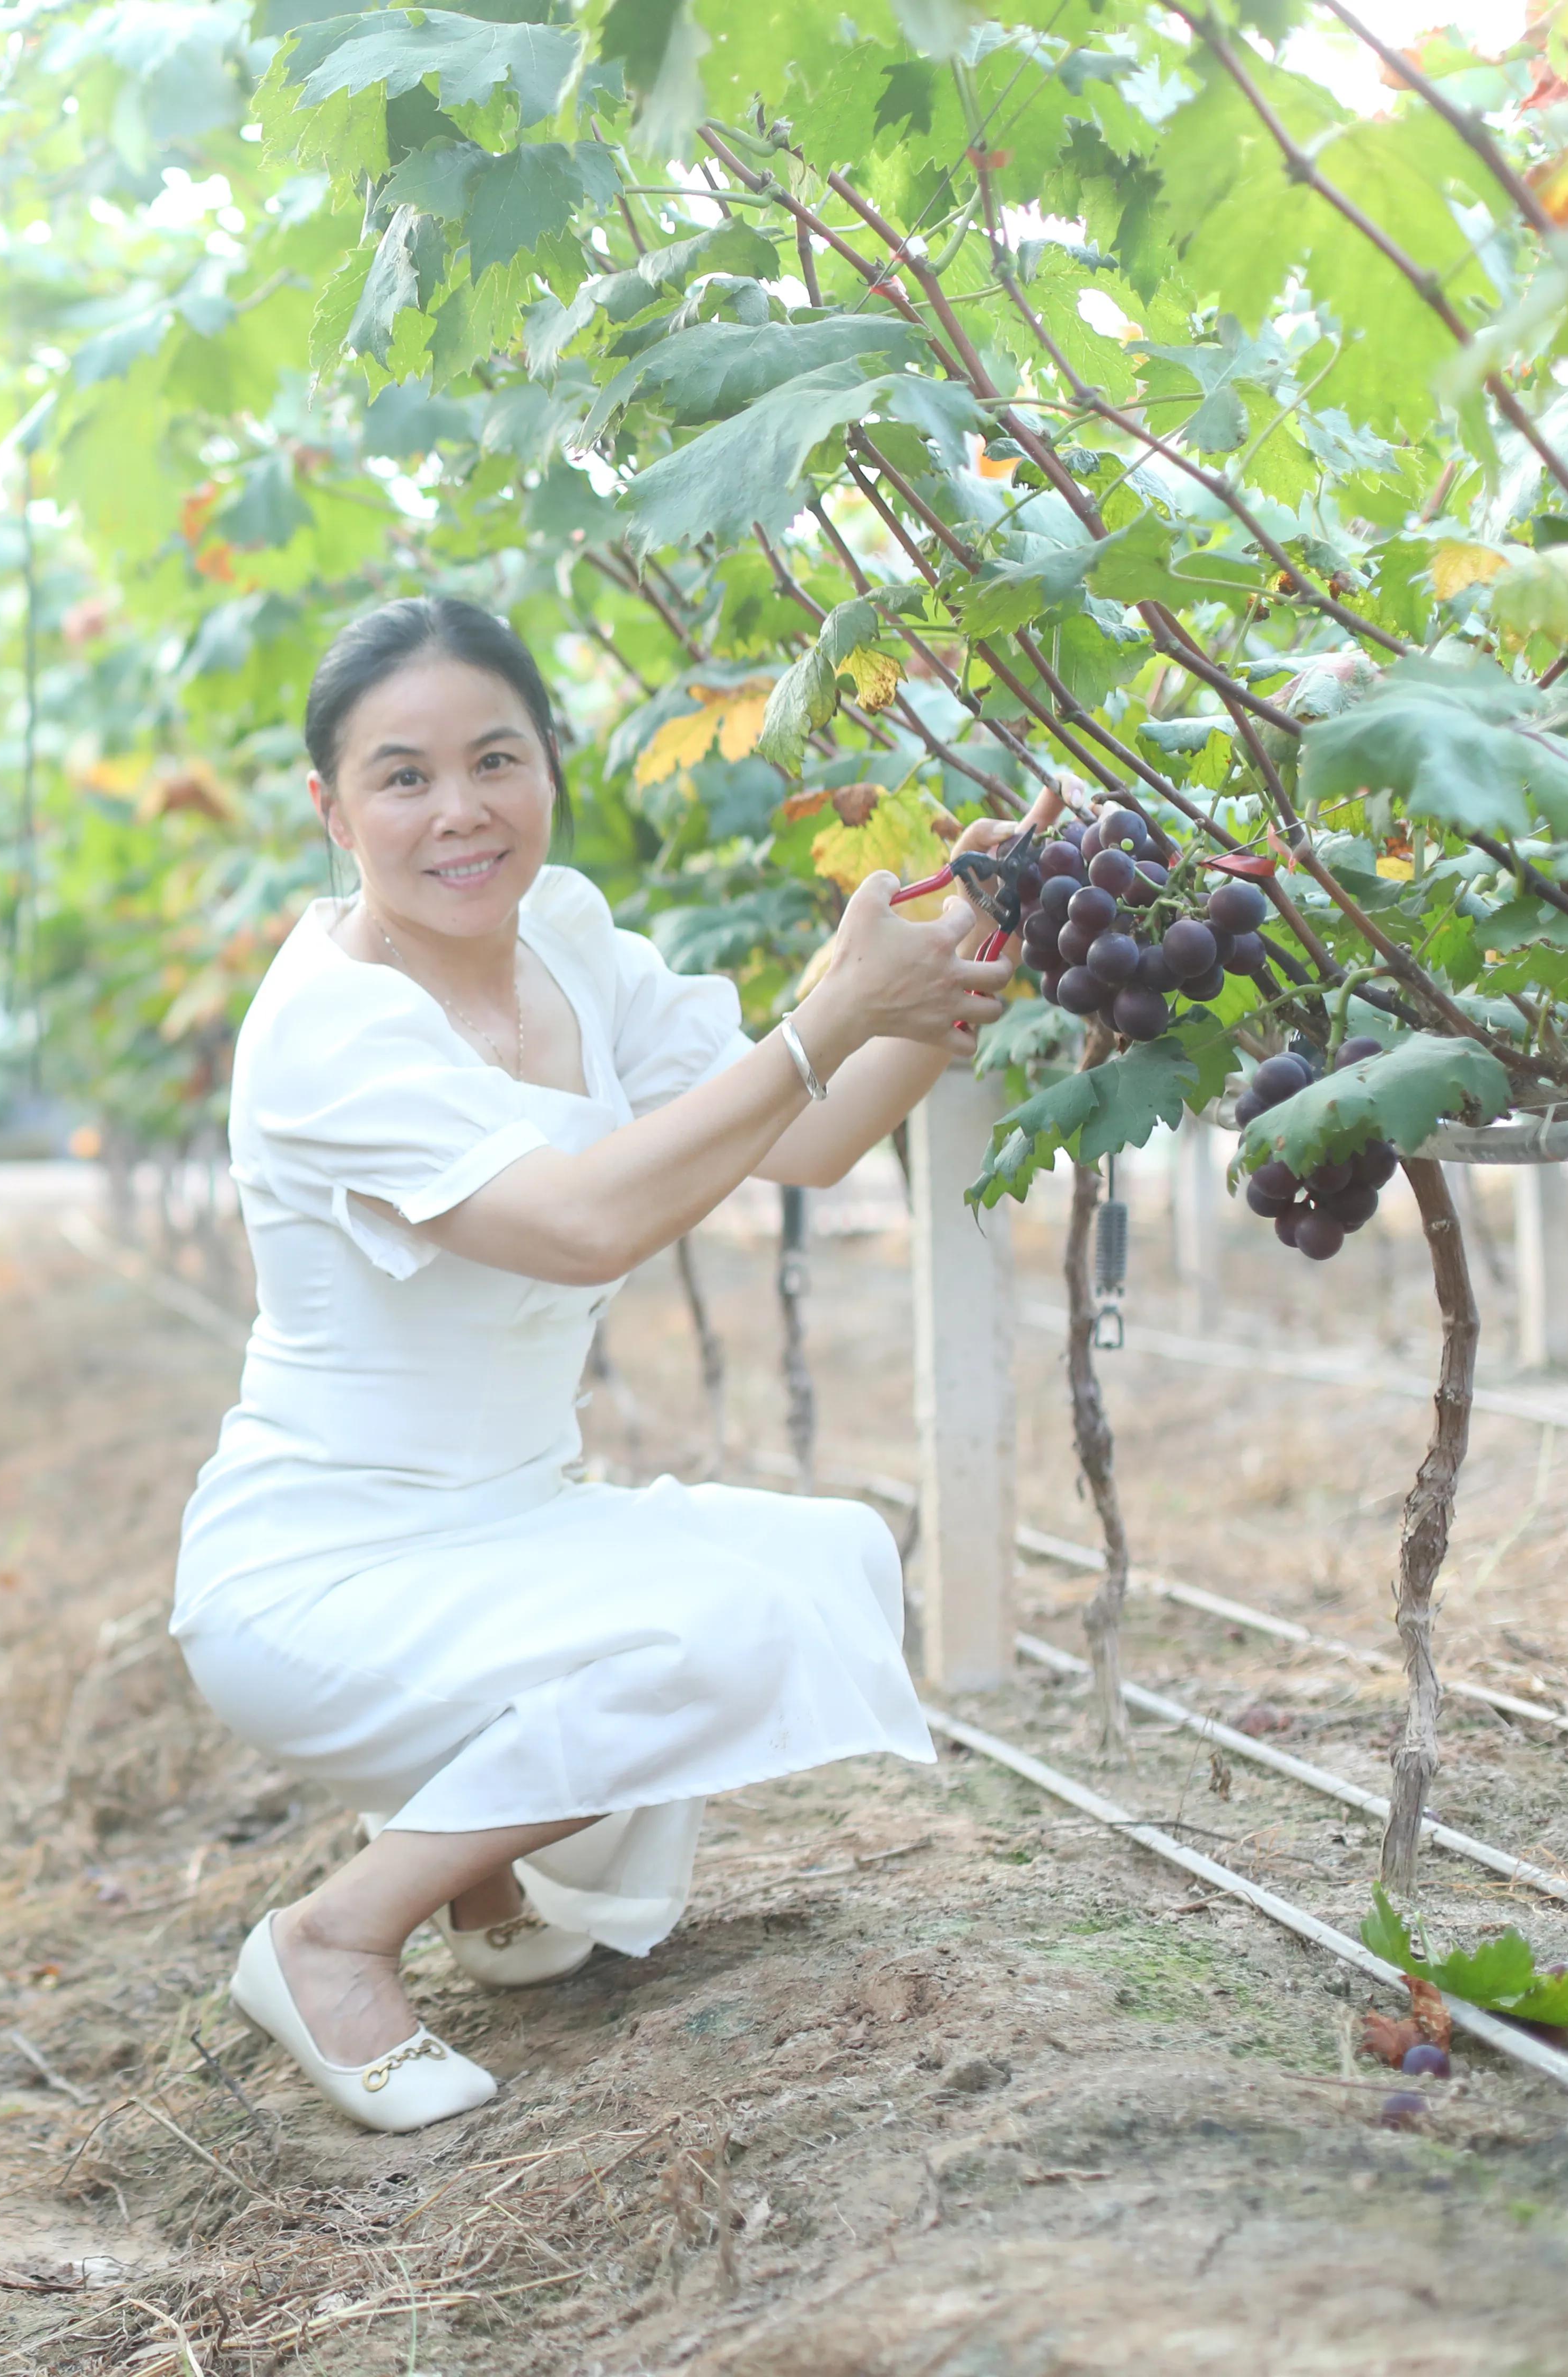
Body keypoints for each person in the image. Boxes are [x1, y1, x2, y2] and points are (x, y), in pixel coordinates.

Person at [176, 596, 1025, 2135]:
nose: (460, 813)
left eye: (496, 759)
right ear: (330, 808)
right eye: (404, 776)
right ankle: (333, 1937)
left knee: (830, 1563)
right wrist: (830, 1016)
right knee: (704, 1639)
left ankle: (487, 1877)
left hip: (508, 1525)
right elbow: (575, 1227)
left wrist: (963, 964)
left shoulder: (569, 941)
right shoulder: (326, 1030)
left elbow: (814, 1133)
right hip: (318, 1575)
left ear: (550, 767)